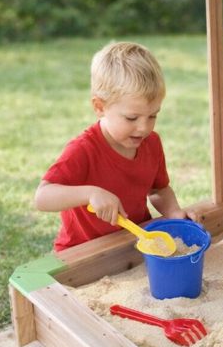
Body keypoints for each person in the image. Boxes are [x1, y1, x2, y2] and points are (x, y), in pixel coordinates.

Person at [35, 41, 190, 250]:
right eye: (132, 118)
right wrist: (91, 193)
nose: (143, 128)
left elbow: (158, 189)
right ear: (100, 107)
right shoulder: (84, 149)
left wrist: (174, 212)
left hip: (136, 240)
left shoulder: (151, 143)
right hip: (83, 249)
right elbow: (42, 197)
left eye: (153, 116)